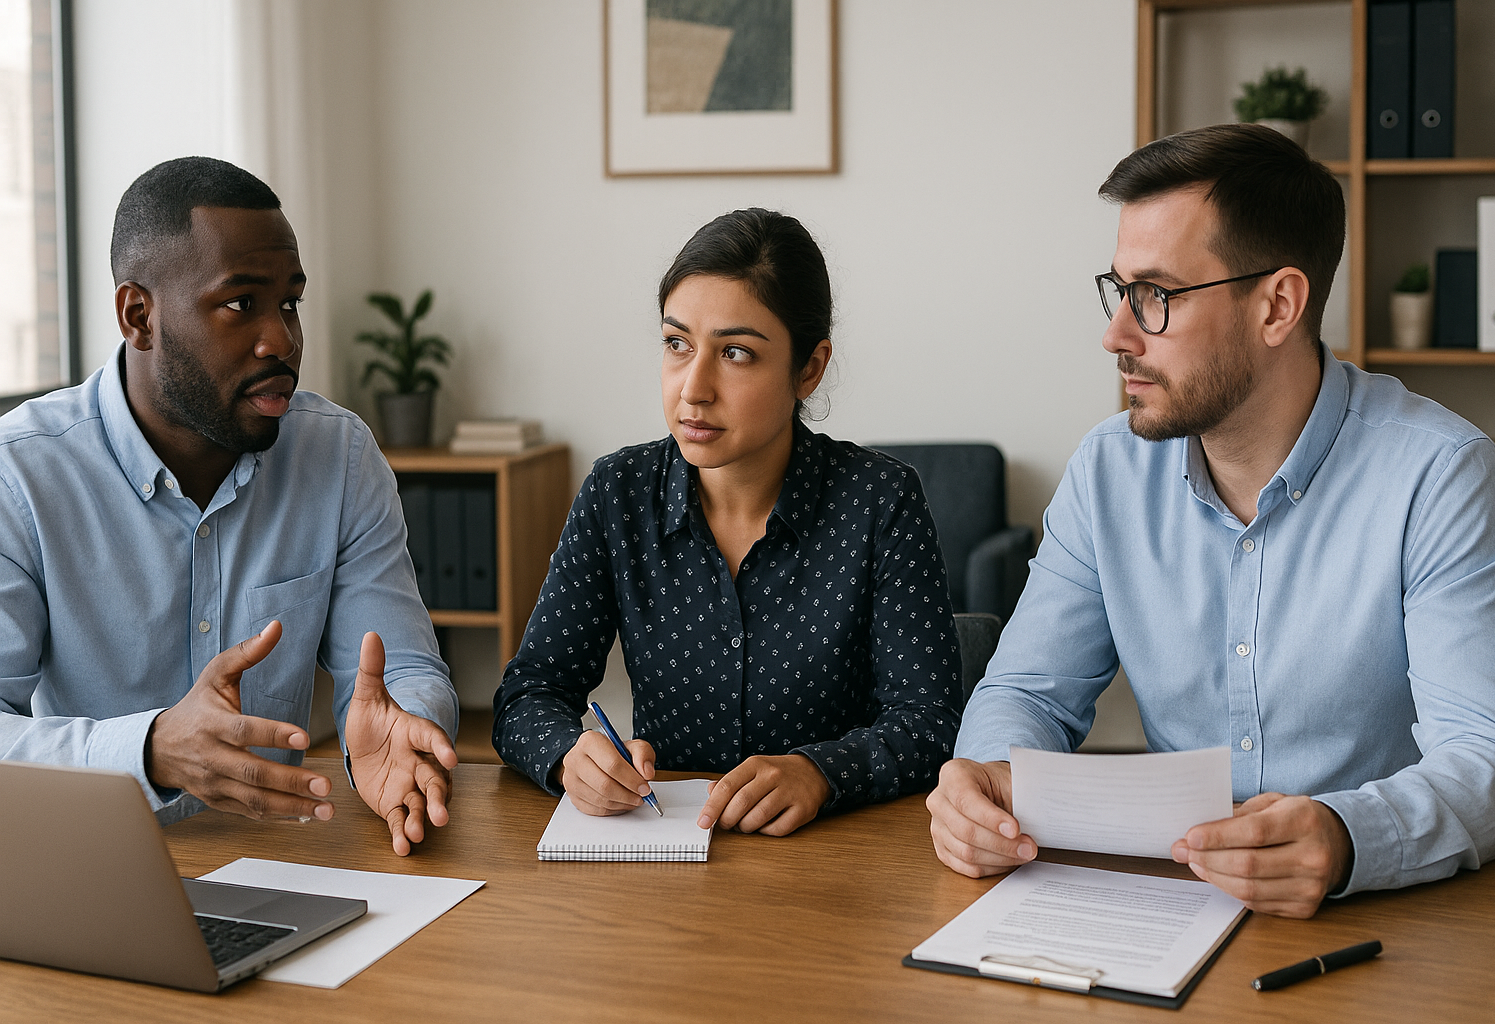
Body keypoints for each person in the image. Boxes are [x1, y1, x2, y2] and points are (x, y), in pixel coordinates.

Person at [927, 123, 1495, 918]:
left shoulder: (1439, 472)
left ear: (1277, 304)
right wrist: (984, 781)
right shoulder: (1108, 469)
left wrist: (1347, 837)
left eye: (1157, 296)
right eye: (1119, 291)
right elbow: (1028, 693)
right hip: (1171, 906)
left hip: (1383, 918)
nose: (1115, 336)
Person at [0, 157, 459, 856]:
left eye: (290, 303)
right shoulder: (21, 473)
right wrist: (150, 748)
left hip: (281, 866)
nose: (282, 340)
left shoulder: (338, 456)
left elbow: (399, 669)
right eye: (241, 303)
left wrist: (406, 727)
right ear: (138, 316)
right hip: (94, 869)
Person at [494, 208, 962, 835]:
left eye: (736, 353)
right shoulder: (618, 494)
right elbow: (528, 695)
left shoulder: (880, 501)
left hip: (833, 862)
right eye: (677, 344)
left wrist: (821, 772)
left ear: (809, 368)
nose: (694, 387)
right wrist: (567, 756)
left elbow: (930, 721)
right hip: (666, 860)